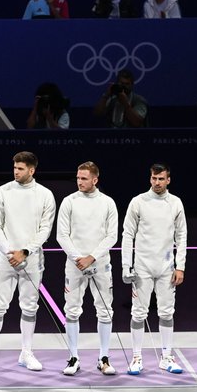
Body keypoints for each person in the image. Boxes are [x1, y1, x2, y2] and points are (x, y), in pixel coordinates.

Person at [0, 151, 56, 373]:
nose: (16, 172)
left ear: (32, 170)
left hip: (32, 260)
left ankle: (26, 353)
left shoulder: (45, 195)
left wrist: (26, 251)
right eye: (14, 168)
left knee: (30, 307)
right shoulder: (3, 192)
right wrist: (9, 251)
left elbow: (45, 229)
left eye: (20, 169)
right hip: (6, 259)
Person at [119, 163, 186, 375]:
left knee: (167, 312)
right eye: (154, 178)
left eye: (161, 179)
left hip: (166, 267)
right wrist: (126, 265)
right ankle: (137, 357)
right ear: (150, 179)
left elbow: (181, 236)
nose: (157, 183)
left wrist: (180, 266)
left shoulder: (175, 203)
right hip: (142, 267)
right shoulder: (138, 202)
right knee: (138, 313)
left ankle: (166, 357)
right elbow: (128, 234)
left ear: (168, 180)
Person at [57, 161, 118, 376]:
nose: (79, 182)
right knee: (72, 309)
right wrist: (77, 257)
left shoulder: (107, 203)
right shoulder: (69, 202)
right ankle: (73, 357)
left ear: (95, 179)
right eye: (78, 178)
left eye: (84, 178)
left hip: (100, 263)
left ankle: (104, 357)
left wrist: (91, 257)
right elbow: (61, 235)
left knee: (105, 310)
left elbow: (112, 236)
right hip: (75, 265)